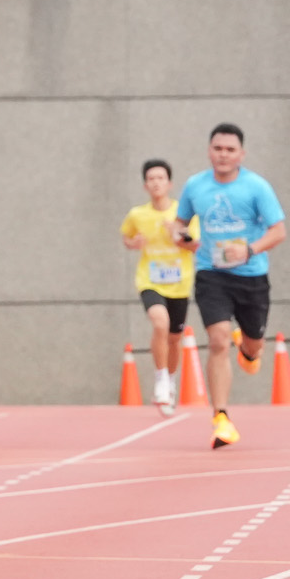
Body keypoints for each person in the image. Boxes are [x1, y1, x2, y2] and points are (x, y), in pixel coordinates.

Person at [174, 121, 287, 449]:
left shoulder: (256, 187)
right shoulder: (195, 186)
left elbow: (279, 231)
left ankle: (248, 350)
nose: (223, 155)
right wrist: (181, 236)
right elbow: (180, 224)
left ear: (241, 154)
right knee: (218, 340)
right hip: (211, 274)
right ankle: (221, 418)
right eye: (218, 148)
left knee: (253, 346)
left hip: (251, 276)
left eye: (230, 149)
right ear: (209, 151)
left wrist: (249, 250)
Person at [119, 156, 191, 414]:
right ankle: (160, 379)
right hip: (150, 280)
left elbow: (195, 244)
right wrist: (134, 243)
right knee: (160, 323)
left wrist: (177, 235)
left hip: (179, 283)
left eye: (161, 178)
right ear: (145, 185)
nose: (156, 183)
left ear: (169, 183)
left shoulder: (183, 213)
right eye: (151, 179)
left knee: (174, 339)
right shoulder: (137, 214)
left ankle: (170, 382)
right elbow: (126, 237)